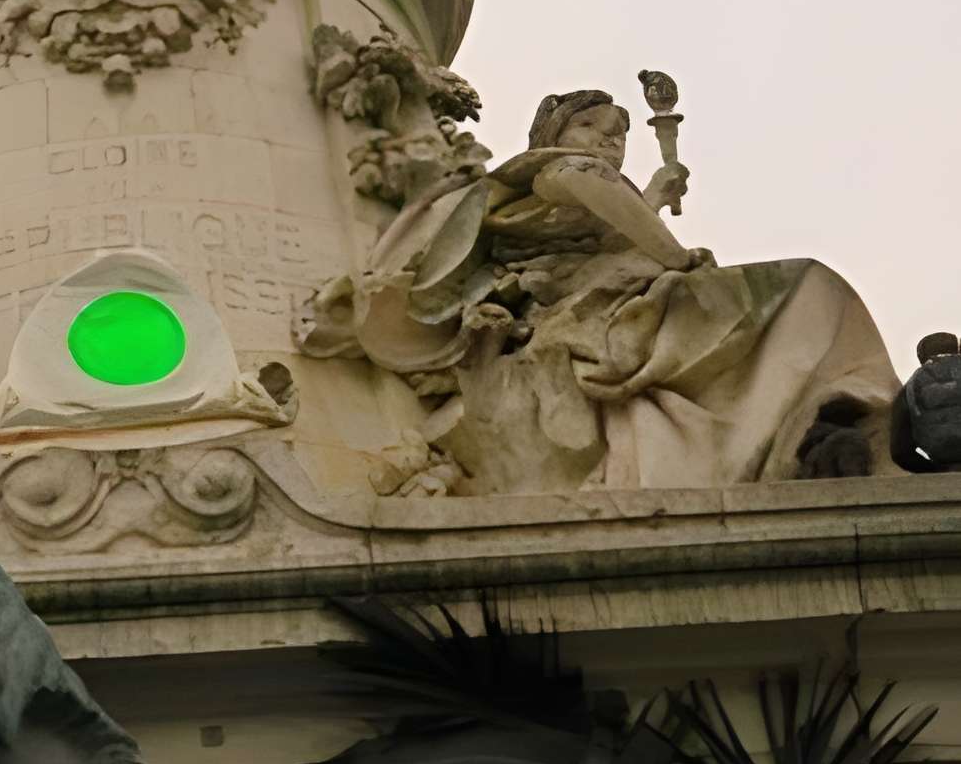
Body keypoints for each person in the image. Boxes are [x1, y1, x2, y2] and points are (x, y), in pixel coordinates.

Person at [311, 87, 900, 493]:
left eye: (617, 133)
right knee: (807, 291)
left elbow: (614, 230)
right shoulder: (556, 171)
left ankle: (828, 421)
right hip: (600, 312)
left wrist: (655, 194)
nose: (607, 141)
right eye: (588, 126)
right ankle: (832, 416)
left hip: (625, 298)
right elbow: (603, 199)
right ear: (553, 135)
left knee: (809, 294)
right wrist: (678, 255)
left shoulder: (584, 188)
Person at [890, 331, 961, 472]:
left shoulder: (910, 388)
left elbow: (899, 451)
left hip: (947, 467)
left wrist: (936, 471)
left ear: (922, 357)